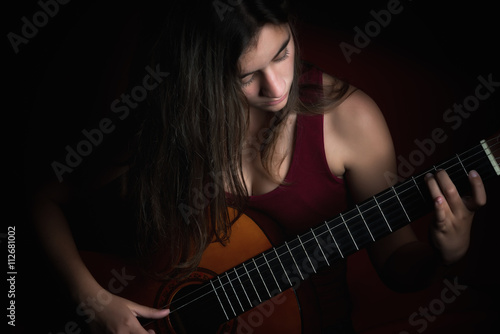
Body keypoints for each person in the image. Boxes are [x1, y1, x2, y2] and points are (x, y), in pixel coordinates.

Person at [30, 0, 487, 333]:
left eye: (283, 53)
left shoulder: (350, 120)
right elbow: (37, 201)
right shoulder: (165, 123)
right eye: (247, 75)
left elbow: (396, 264)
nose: (276, 87)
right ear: (200, 76)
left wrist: (446, 253)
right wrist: (91, 300)